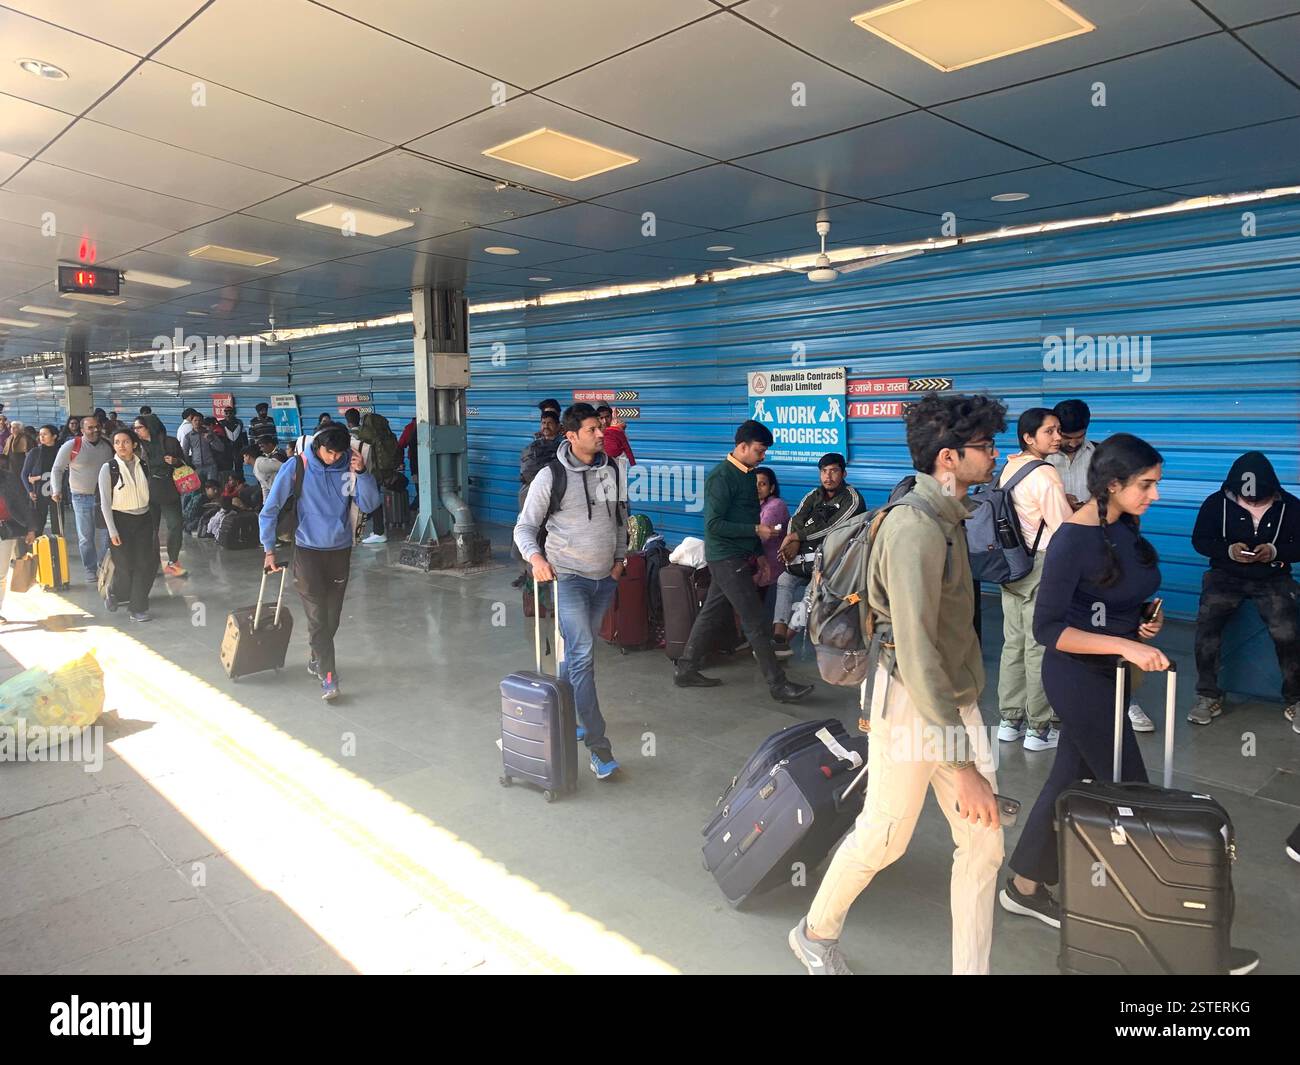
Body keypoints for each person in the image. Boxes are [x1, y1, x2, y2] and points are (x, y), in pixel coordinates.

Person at [789, 393, 1007, 976]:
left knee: (983, 844)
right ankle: (815, 933)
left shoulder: (948, 518)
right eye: (985, 447)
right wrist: (962, 767)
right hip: (912, 703)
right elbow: (916, 654)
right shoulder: (915, 529)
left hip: (951, 700)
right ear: (948, 458)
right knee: (885, 837)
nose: (996, 455)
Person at [514, 402, 628, 779]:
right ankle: (599, 747)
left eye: (602, 426)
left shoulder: (611, 468)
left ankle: (562, 714)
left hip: (604, 579)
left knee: (575, 656)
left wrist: (620, 560)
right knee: (582, 656)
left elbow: (621, 516)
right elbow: (524, 528)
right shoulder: (551, 476)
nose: (602, 433)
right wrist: (537, 560)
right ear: (572, 435)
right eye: (594, 428)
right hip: (570, 579)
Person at [672, 420, 813, 704]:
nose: (763, 457)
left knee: (711, 612)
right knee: (756, 621)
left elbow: (749, 517)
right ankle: (778, 685)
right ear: (742, 447)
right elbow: (714, 525)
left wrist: (759, 555)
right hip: (724, 556)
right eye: (760, 451)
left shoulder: (748, 474)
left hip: (740, 554)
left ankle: (686, 668)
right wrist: (754, 532)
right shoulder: (721, 478)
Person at [259, 424, 380, 701]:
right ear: (317, 446)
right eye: (329, 452)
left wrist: (362, 472)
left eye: (339, 453)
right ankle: (329, 677)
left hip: (340, 551)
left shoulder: (348, 467)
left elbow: (370, 504)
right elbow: (270, 510)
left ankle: (316, 658)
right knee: (317, 619)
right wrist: (269, 550)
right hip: (307, 552)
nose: (334, 457)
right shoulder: (297, 467)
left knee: (331, 618)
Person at [1188, 450, 1299, 727]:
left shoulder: (1292, 507)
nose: (1250, 499)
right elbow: (1200, 540)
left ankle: (1295, 699)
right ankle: (1208, 695)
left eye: (1258, 496)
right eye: (1245, 494)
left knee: (1288, 631)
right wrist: (1228, 550)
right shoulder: (1216, 503)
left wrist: (1273, 551)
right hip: (1225, 574)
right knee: (1207, 626)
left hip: (1273, 576)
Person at [995, 408, 1075, 750]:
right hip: (1040, 563)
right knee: (1039, 644)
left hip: (1011, 563)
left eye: (1058, 430)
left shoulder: (1009, 467)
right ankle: (1039, 728)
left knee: (1013, 642)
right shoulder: (1045, 474)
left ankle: (1009, 720)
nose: (1058, 437)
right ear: (1029, 437)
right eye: (1050, 431)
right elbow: (1064, 527)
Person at [771, 452, 864, 656]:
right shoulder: (814, 495)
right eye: (824, 471)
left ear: (844, 473)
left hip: (834, 562)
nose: (828, 476)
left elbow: (833, 528)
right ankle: (777, 636)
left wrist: (797, 537)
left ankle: (785, 642)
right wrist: (792, 542)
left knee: (811, 593)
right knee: (784, 579)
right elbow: (796, 519)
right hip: (805, 557)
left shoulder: (853, 499)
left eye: (833, 471)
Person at [98, 428, 155, 622]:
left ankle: (137, 608)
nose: (121, 446)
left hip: (144, 519)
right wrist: (112, 530)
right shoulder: (109, 468)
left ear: (134, 444)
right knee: (125, 565)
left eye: (126, 442)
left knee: (144, 564)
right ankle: (115, 593)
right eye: (117, 442)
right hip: (120, 520)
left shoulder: (143, 465)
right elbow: (105, 502)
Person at [50, 415, 112, 582]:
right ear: (82, 430)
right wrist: (56, 490)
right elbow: (57, 469)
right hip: (81, 497)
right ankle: (90, 568)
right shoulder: (72, 445)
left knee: (107, 535)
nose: (95, 430)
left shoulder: (107, 445)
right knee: (86, 536)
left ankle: (104, 566)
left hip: (104, 498)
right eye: (90, 427)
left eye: (97, 426)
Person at [133, 416, 187, 578]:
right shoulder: (136, 446)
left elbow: (187, 464)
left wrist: (176, 461)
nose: (136, 431)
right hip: (146, 491)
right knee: (149, 530)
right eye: (134, 428)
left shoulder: (170, 443)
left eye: (139, 427)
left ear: (150, 427)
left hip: (168, 489)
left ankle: (173, 561)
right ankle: (151, 564)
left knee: (176, 525)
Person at [0, 462, 37, 625]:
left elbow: (23, 503)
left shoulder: (8, 478)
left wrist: (31, 528)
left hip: (5, 529)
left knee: (1, 573)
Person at [1047, 398, 1095, 511]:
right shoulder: (1037, 458)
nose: (1073, 444)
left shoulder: (1099, 454)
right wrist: (1059, 500)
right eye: (1066, 438)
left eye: (1079, 437)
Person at [755, 467, 789, 619]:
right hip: (755, 566)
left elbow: (761, 537)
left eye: (762, 484)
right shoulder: (754, 505)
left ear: (771, 487)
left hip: (769, 569)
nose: (757, 488)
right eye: (754, 484)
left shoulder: (776, 506)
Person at [21, 424, 60, 537]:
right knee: (38, 522)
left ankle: (57, 547)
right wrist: (30, 491)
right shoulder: (35, 452)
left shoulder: (60, 452)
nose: (41, 437)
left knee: (57, 522)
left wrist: (39, 477)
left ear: (54, 436)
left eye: (45, 434)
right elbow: (24, 474)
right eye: (40, 434)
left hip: (56, 491)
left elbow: (63, 471)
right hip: (39, 492)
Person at [183, 415, 217, 483]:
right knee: (197, 490)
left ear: (202, 422)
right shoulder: (188, 436)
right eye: (195, 420)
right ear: (191, 422)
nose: (197, 422)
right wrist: (189, 467)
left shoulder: (210, 433)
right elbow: (185, 453)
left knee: (211, 489)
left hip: (210, 466)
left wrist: (211, 440)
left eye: (199, 420)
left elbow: (221, 448)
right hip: (196, 467)